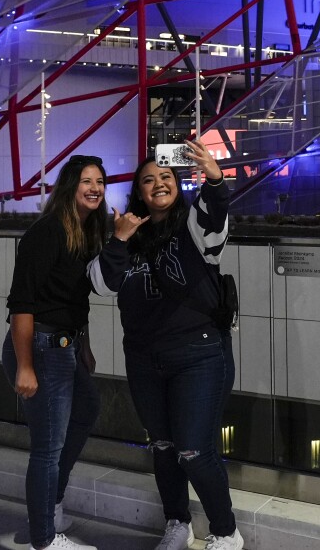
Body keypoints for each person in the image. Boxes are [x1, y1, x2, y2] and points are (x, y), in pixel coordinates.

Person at [94, 139, 243, 550]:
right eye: (148, 180)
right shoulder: (126, 234)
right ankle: (178, 523)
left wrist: (214, 179)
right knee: (163, 446)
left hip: (198, 355)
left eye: (166, 176)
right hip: (144, 359)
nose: (159, 183)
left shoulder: (192, 227)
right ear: (139, 192)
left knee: (193, 449)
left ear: (177, 185)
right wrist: (119, 240)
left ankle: (226, 531)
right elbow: (102, 284)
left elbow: (215, 220)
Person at [2, 155, 107, 550]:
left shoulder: (85, 231)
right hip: (40, 349)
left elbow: (76, 300)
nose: (95, 188)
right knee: (48, 447)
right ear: (69, 186)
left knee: (87, 408)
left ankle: (50, 506)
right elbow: (21, 304)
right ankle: (44, 539)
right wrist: (25, 366)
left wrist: (84, 345)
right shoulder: (46, 232)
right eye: (87, 181)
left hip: (65, 347)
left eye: (100, 181)